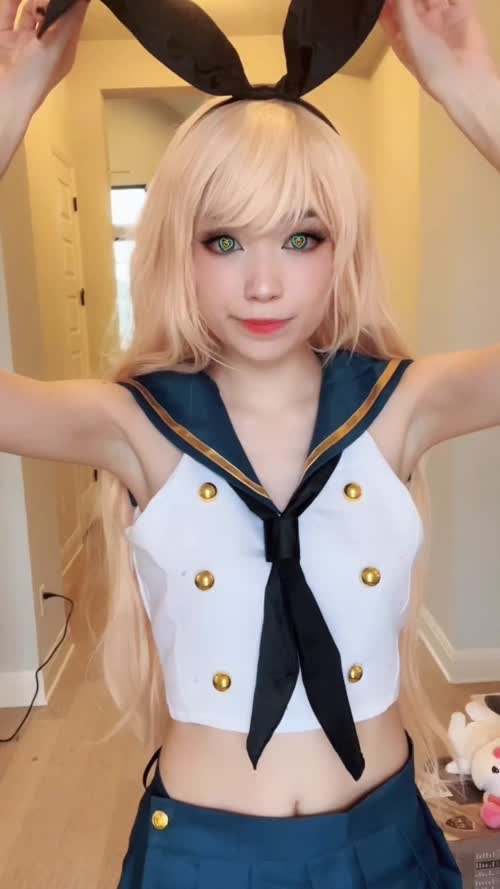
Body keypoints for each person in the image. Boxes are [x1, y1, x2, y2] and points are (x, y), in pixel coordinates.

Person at [1, 0, 499, 886]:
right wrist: (11, 104)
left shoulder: (400, 404)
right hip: (204, 859)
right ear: (177, 247)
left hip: (386, 850)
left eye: (301, 237)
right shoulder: (136, 425)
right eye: (224, 239)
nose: (264, 282)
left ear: (342, 248)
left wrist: (473, 89)